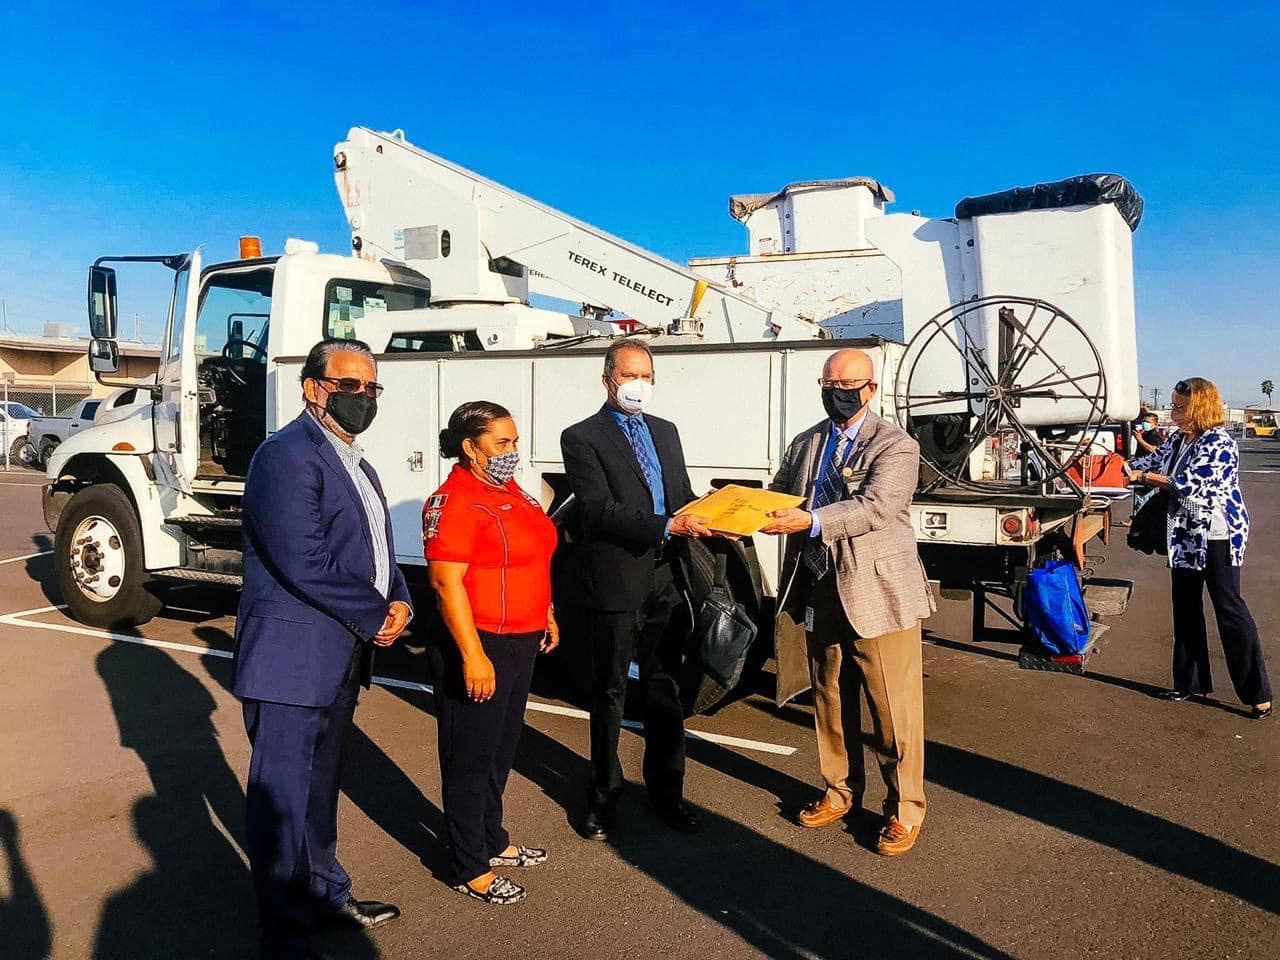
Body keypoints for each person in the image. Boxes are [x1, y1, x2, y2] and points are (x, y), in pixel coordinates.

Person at [233, 337, 412, 959]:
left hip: (337, 655)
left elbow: (380, 549)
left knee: (318, 789)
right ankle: (284, 931)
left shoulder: (358, 463)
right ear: (314, 387)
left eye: (372, 387)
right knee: (281, 799)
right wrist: (374, 613)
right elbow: (302, 558)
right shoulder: (285, 456)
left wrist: (402, 599)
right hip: (290, 660)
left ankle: (327, 894)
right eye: (350, 385)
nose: (363, 397)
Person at [761, 348, 936, 856]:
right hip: (818, 585)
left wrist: (811, 521)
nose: (836, 391)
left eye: (847, 383)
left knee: (892, 709)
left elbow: (877, 507)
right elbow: (780, 495)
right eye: (828, 382)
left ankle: (904, 809)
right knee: (829, 698)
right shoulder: (807, 440)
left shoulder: (896, 446)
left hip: (877, 592)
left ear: (870, 389)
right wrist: (737, 509)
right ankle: (839, 791)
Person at [560, 337, 712, 841]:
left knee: (667, 690)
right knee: (610, 691)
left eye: (645, 374)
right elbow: (598, 510)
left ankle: (668, 793)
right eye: (629, 375)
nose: (638, 384)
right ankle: (603, 794)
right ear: (608, 379)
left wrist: (711, 516)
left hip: (668, 579)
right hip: (617, 581)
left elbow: (681, 496)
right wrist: (668, 526)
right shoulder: (582, 437)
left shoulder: (665, 432)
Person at [423, 401, 560, 905]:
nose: (513, 452)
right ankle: (468, 863)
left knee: (500, 752)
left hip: (522, 637)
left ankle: (492, 840)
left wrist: (545, 610)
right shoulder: (454, 500)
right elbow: (445, 584)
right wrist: (472, 656)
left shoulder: (509, 493)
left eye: (515, 442)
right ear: (470, 446)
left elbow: (531, 555)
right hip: (481, 641)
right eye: (502, 443)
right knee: (469, 758)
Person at [1126, 377, 1272, 719]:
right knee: (1185, 607)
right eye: (1173, 406)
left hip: (1218, 533)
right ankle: (1188, 682)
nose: (1173, 413)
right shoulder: (1178, 439)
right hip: (1185, 536)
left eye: (1180, 407)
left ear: (1200, 407)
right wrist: (1124, 467)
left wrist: (1145, 479)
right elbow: (1152, 463)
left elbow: (1189, 486)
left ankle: (1257, 692)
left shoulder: (1219, 442)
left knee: (1229, 608)